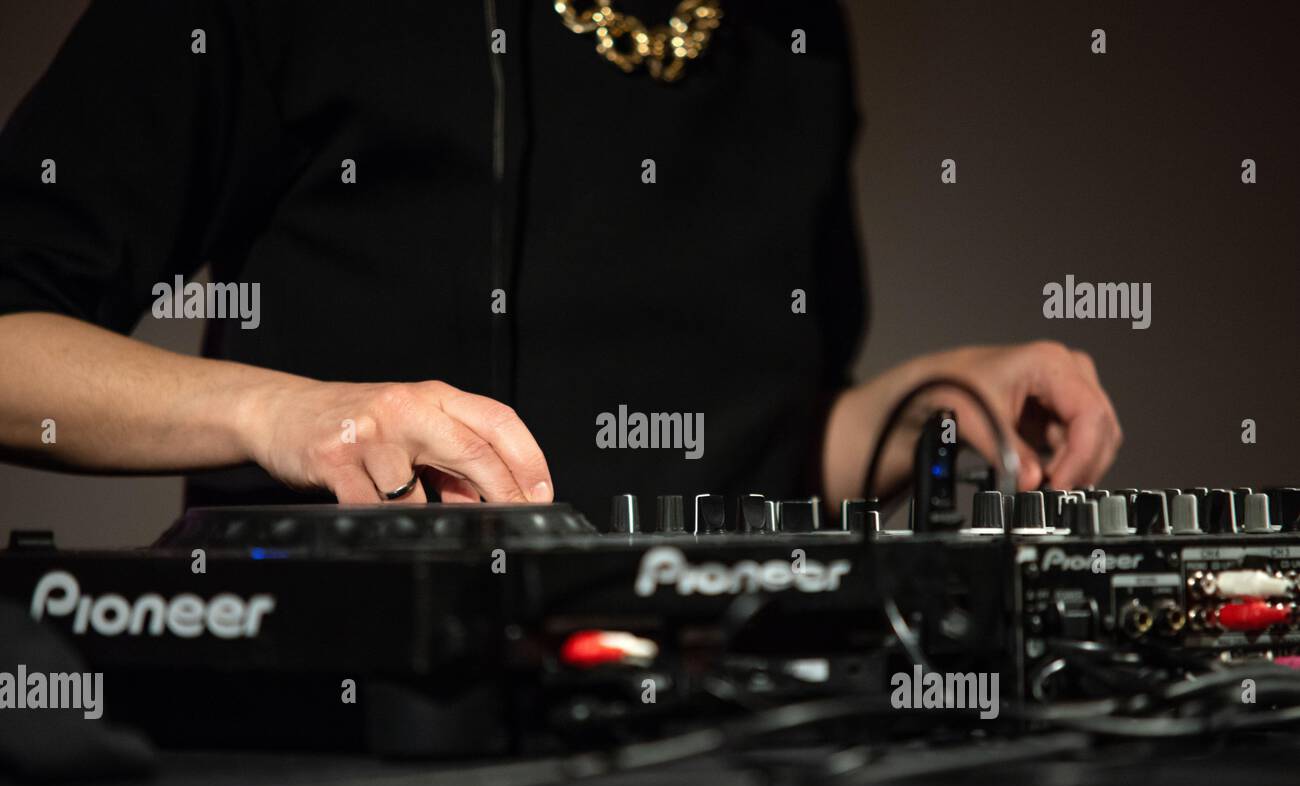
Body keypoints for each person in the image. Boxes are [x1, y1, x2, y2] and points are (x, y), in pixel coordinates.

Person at [0, 1, 1121, 527]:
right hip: (347, 750)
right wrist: (286, 415)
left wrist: (927, 401)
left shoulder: (793, 26)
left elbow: (755, 448)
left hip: (716, 733)